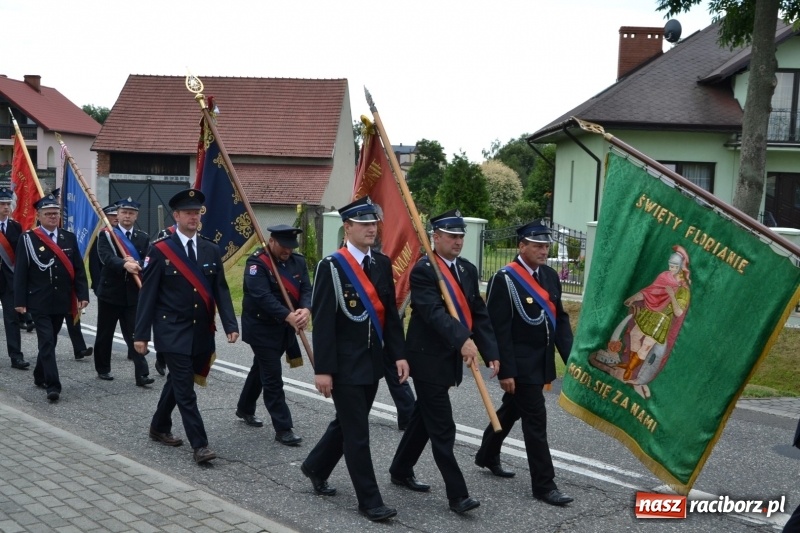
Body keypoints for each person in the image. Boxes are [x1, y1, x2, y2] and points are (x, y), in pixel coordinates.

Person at [301, 196, 408, 522]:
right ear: (347, 227)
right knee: (358, 433)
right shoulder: (331, 267)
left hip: (372, 364)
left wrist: (399, 355)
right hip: (345, 367)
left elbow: (390, 315)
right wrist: (324, 371)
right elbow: (324, 322)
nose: (371, 228)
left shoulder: (382, 264)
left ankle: (315, 466)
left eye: (374, 223)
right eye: (364, 224)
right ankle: (370, 501)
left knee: (347, 425)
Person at [389, 209, 499, 514]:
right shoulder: (424, 271)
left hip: (448, 359)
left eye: (461, 235)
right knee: (443, 427)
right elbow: (433, 312)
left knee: (423, 419)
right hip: (427, 361)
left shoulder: (467, 269)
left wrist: (491, 351)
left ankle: (399, 468)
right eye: (451, 236)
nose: (458, 241)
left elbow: (479, 312)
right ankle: (458, 495)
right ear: (435, 237)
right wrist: (463, 339)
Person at [134, 188, 239, 464]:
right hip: (172, 332)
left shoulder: (210, 248)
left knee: (177, 383)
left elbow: (221, 289)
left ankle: (158, 426)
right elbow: (148, 295)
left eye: (197, 212)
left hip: (201, 331)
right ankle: (200, 445)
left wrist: (230, 323)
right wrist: (141, 335)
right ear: (176, 215)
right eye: (188, 213)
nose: (194, 217)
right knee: (185, 390)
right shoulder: (160, 250)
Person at [475, 219, 574, 506]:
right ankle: (544, 485)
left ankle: (486, 453)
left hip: (540, 361)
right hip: (518, 364)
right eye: (538, 245)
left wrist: (571, 360)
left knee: (512, 411)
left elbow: (561, 322)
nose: (544, 251)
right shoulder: (505, 279)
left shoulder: (550, 277)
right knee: (536, 420)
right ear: (522, 246)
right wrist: (506, 370)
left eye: (546, 246)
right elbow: (498, 329)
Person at [235, 224, 310, 445]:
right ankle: (283, 428)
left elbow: (306, 289)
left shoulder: (299, 262)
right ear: (272, 241)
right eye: (284, 246)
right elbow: (261, 296)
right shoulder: (257, 263)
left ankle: (244, 407)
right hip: (262, 328)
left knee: (261, 368)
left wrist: (305, 310)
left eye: (291, 247)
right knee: (272, 377)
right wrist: (288, 315)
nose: (288, 251)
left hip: (284, 327)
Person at [14, 193, 90, 402]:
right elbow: (21, 271)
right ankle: (53, 385)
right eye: (48, 214)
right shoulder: (28, 239)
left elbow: (78, 268)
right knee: (46, 341)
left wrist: (82, 294)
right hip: (38, 300)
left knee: (51, 340)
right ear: (39, 216)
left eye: (55, 214)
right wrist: (19, 301)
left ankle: (39, 374)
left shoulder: (68, 237)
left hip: (62, 300)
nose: (53, 217)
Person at [94, 197, 153, 386]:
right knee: (105, 333)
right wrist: (124, 264)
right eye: (124, 212)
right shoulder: (107, 235)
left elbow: (149, 260)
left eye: (131, 213)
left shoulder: (142, 237)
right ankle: (103, 368)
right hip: (111, 293)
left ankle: (142, 374)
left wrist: (139, 265)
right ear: (117, 215)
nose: (127, 216)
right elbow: (106, 258)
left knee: (136, 333)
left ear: (136, 216)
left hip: (133, 294)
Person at [0, 187, 29, 369]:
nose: (5, 207)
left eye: (7, 204)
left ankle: (16, 356)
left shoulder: (15, 226)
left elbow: (20, 254)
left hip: (9, 281)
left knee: (12, 319)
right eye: (1, 204)